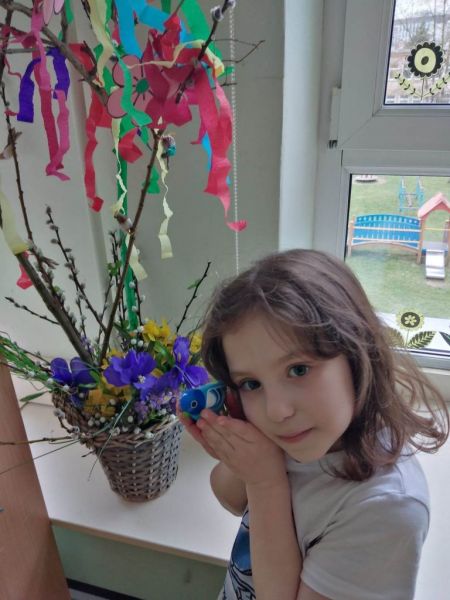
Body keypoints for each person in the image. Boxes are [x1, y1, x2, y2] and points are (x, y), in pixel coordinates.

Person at [180, 249, 449, 600]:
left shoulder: (387, 507)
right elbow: (231, 498)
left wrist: (266, 482)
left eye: (298, 369)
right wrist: (237, 449)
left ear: (357, 353)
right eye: (251, 383)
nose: (277, 410)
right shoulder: (296, 433)